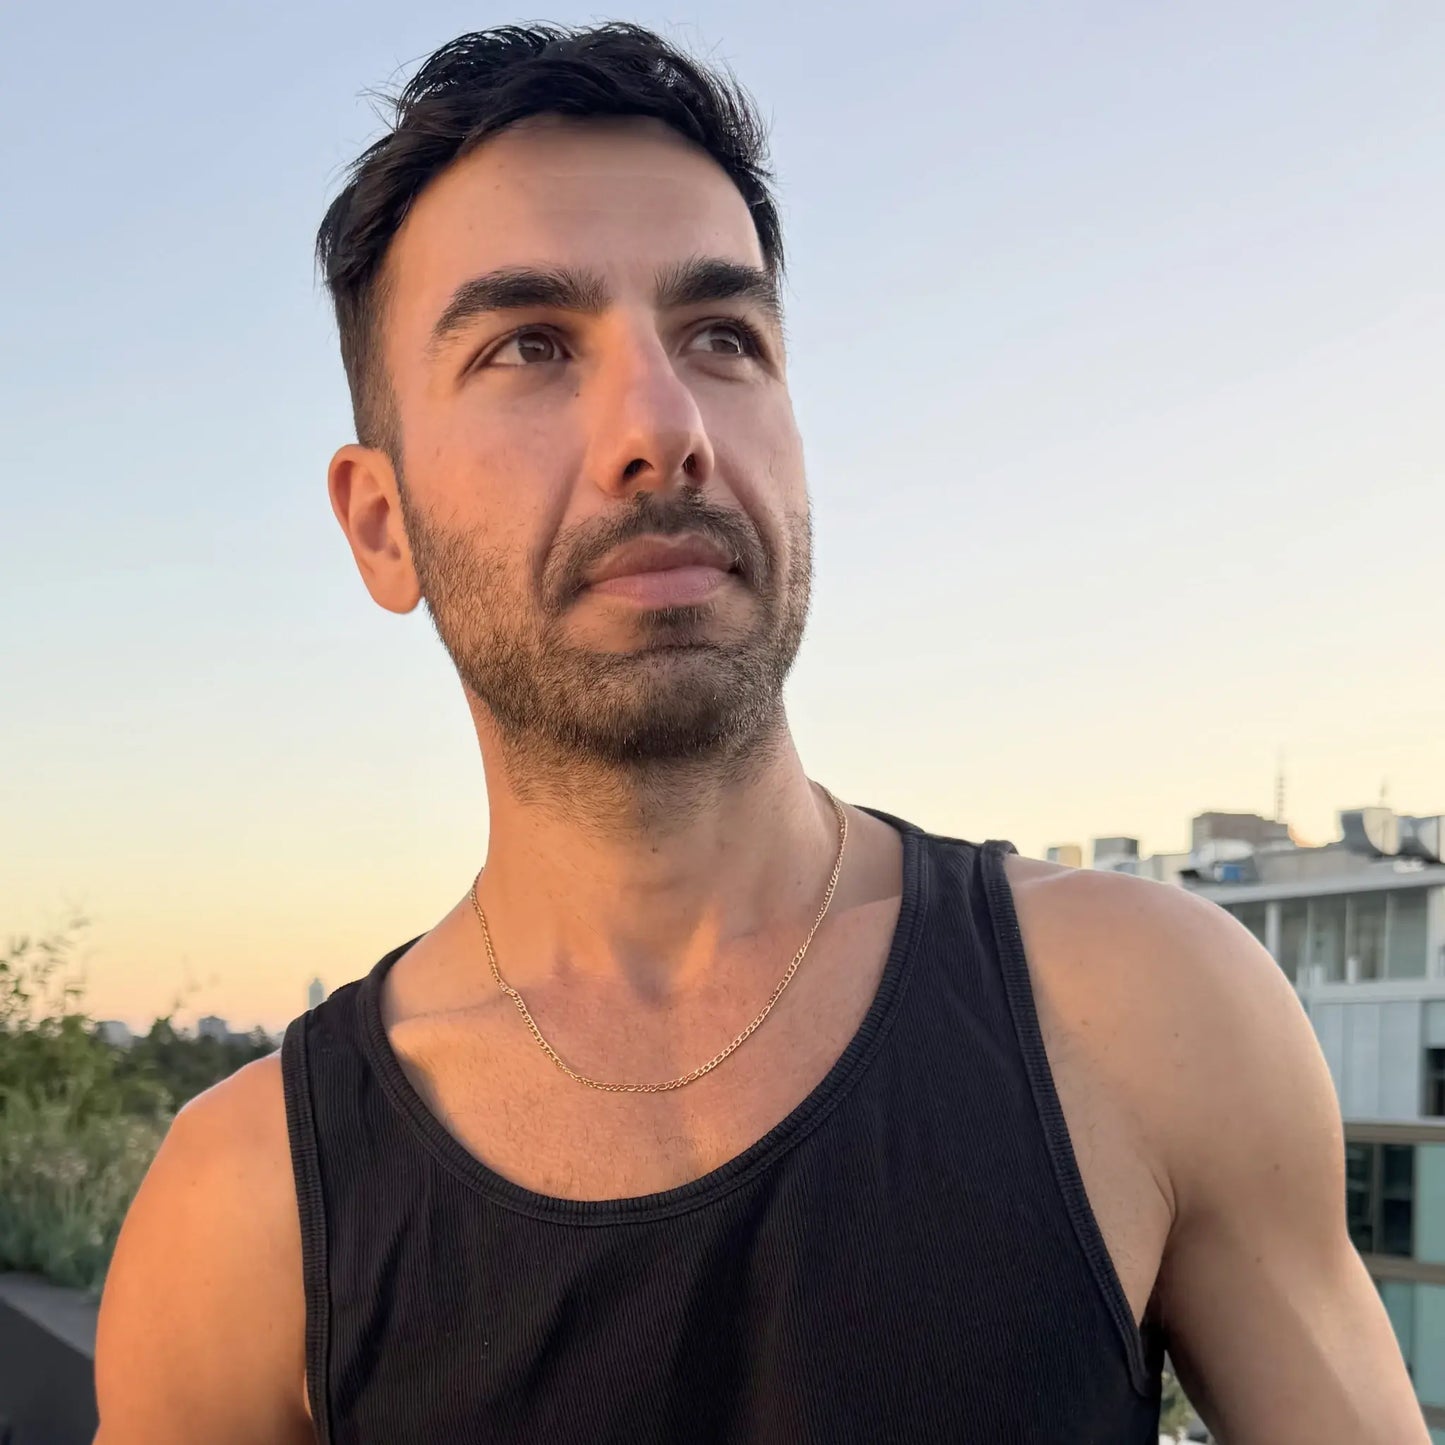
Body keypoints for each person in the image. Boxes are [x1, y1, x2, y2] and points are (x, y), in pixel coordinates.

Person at [93, 23, 1428, 1445]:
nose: (661, 426)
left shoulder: (1139, 1011)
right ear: (380, 522)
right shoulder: (248, 1209)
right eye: (530, 345)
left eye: (720, 337)